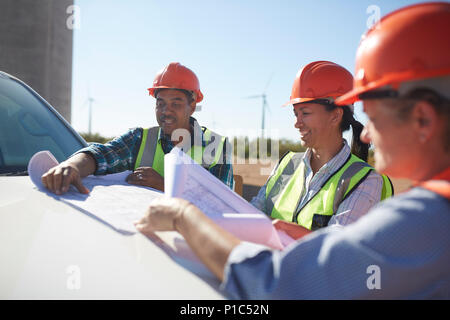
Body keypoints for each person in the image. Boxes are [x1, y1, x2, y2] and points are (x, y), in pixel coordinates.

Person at [135, 2, 450, 299]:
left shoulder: (426, 219)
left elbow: (279, 287)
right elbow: (257, 217)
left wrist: (183, 216)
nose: (366, 133)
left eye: (376, 117)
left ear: (423, 118)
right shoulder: (288, 163)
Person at [41, 62, 234, 194]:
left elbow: (221, 204)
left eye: (176, 103)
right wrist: (72, 166)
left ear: (192, 106)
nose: (166, 111)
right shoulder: (139, 139)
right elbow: (102, 154)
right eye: (160, 103)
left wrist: (166, 186)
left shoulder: (216, 145)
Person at [250, 60, 392, 230]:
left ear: (335, 116)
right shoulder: (286, 164)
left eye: (305, 113)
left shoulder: (366, 179)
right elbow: (253, 213)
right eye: (296, 114)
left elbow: (335, 247)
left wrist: (271, 228)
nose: (297, 123)